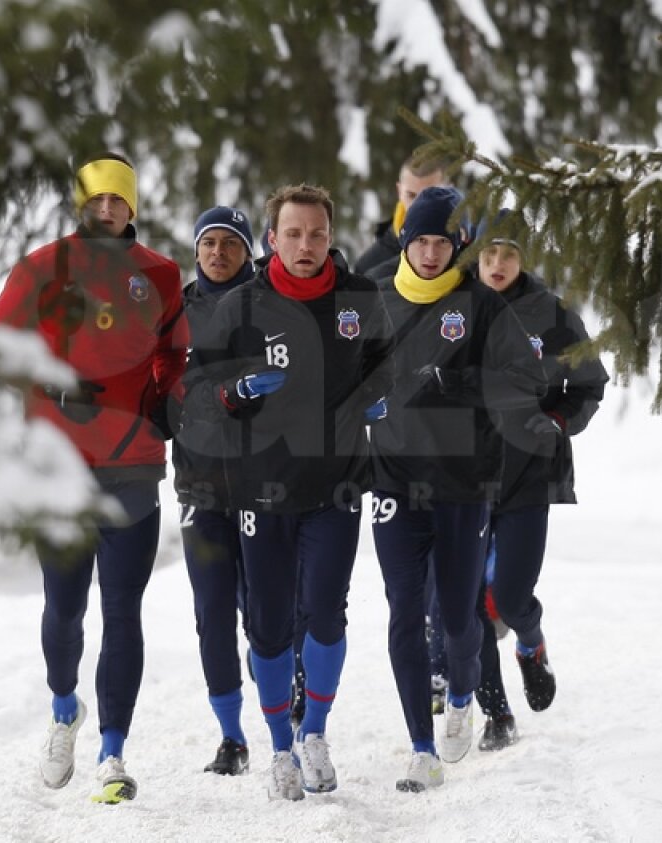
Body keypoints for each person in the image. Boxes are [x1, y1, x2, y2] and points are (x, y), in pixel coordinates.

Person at [0, 153, 187, 803]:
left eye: (118, 200)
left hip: (131, 464)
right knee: (64, 608)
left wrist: (166, 398)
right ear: (80, 204)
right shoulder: (43, 268)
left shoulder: (160, 274)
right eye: (96, 199)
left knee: (123, 609)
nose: (106, 210)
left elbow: (175, 356)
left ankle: (113, 752)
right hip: (58, 466)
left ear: (133, 207)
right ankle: (66, 708)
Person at [183, 183, 393, 800]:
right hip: (260, 491)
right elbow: (196, 396)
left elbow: (389, 362)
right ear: (272, 239)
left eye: (317, 234)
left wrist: (376, 396)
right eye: (294, 234)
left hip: (337, 485)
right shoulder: (239, 308)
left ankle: (316, 734)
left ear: (332, 237)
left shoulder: (361, 297)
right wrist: (234, 393)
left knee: (325, 615)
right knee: (269, 630)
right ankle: (279, 749)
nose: (306, 245)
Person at [369, 186, 546, 792]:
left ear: (457, 246)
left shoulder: (483, 305)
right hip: (394, 479)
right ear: (405, 242)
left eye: (441, 242)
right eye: (419, 240)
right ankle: (421, 745)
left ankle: (465, 694)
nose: (429, 252)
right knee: (402, 612)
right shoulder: (375, 301)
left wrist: (455, 381)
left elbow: (523, 377)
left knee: (458, 617)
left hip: (463, 482)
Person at [469, 210, 609, 751]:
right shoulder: (456, 310)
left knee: (509, 596)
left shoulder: (552, 315)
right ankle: (496, 713)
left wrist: (555, 423)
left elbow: (589, 385)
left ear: (524, 259)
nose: (497, 264)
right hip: (468, 478)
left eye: (508, 254)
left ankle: (531, 645)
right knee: (472, 602)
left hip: (529, 475)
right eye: (488, 254)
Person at [172, 206, 258, 777]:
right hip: (199, 484)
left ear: (249, 251)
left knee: (267, 612)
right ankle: (231, 737)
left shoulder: (272, 305)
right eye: (210, 243)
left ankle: (284, 694)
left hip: (265, 483)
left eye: (231, 243)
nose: (219, 253)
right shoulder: (173, 311)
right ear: (196, 251)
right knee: (211, 615)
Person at [353, 153, 448, 283]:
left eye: (429, 195)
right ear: (399, 191)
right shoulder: (368, 266)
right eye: (411, 195)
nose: (419, 207)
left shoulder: (471, 254)